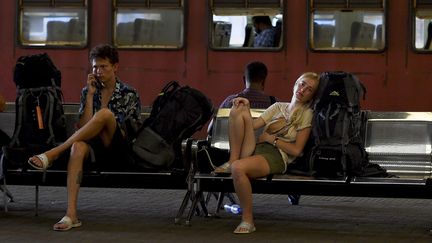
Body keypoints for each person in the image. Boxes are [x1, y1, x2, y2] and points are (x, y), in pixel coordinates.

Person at [27, 44, 141, 231]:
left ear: (115, 67)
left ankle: (54, 152)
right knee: (77, 147)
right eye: (95, 67)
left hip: (120, 150)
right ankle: (71, 215)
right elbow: (83, 126)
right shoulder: (87, 91)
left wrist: (105, 118)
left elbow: (131, 131)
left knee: (105, 115)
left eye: (103, 66)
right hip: (95, 149)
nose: (98, 71)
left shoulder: (129, 93)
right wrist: (89, 96)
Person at [214, 72, 319, 233]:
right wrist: (245, 106)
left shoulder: (307, 114)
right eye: (302, 84)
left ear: (311, 96)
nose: (303, 90)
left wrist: (272, 139)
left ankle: (248, 220)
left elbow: (297, 151)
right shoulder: (277, 107)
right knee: (238, 109)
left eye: (309, 89)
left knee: (238, 168)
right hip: (257, 147)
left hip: (277, 156)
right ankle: (232, 159)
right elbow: (252, 126)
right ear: (296, 83)